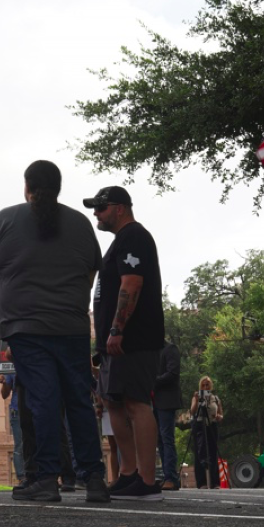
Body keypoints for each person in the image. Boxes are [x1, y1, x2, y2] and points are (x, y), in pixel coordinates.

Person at [0, 159, 109, 503]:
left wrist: (16, 295)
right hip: (71, 325)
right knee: (79, 401)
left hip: (26, 326)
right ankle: (94, 478)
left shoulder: (6, 219)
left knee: (43, 400)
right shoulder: (81, 223)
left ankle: (46, 479)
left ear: (27, 187)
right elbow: (90, 275)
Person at [86, 185, 164, 501]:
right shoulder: (120, 242)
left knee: (135, 403)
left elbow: (132, 283)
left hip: (133, 339)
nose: (96, 214)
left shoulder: (134, 236)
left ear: (119, 208)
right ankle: (128, 474)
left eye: (101, 208)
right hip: (113, 344)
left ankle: (147, 480)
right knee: (114, 403)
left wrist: (117, 329)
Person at [153, 341, 183, 491]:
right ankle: (167, 476)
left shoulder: (170, 349)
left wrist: (152, 381)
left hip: (166, 400)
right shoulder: (152, 351)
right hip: (154, 401)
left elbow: (172, 373)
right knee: (160, 440)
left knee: (167, 439)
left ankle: (171, 477)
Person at [190, 376, 223, 489]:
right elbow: (192, 411)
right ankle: (202, 482)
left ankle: (214, 482)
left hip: (212, 425)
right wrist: (196, 399)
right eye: (203, 385)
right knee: (200, 452)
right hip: (199, 425)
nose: (205, 387)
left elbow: (221, 414)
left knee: (213, 453)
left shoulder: (216, 398)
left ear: (211, 386)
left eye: (207, 385)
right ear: (200, 386)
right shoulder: (196, 397)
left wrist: (218, 416)